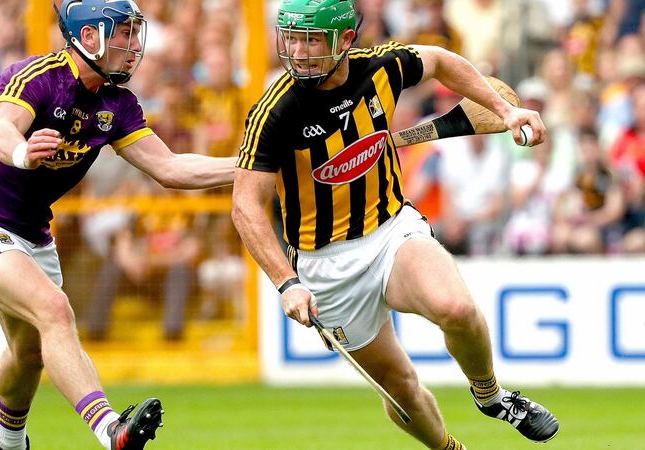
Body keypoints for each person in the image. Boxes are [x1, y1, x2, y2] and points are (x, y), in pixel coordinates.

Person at [231, 1, 560, 449]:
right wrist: (286, 282)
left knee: (457, 309)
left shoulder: (382, 69)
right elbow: (245, 207)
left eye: (311, 40)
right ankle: (449, 447)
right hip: (324, 267)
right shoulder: (276, 110)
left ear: (345, 41)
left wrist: (504, 110)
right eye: (291, 38)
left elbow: (442, 61)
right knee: (402, 388)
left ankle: (492, 396)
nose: (298, 52)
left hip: (391, 231)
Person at [0, 2, 235, 450]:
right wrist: (22, 152)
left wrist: (254, 166)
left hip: (32, 234)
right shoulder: (35, 77)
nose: (134, 46)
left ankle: (2, 441)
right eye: (122, 33)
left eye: (136, 34)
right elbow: (1, 129)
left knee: (29, 351)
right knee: (54, 310)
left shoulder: (118, 104)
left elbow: (171, 169)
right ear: (88, 37)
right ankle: (111, 430)